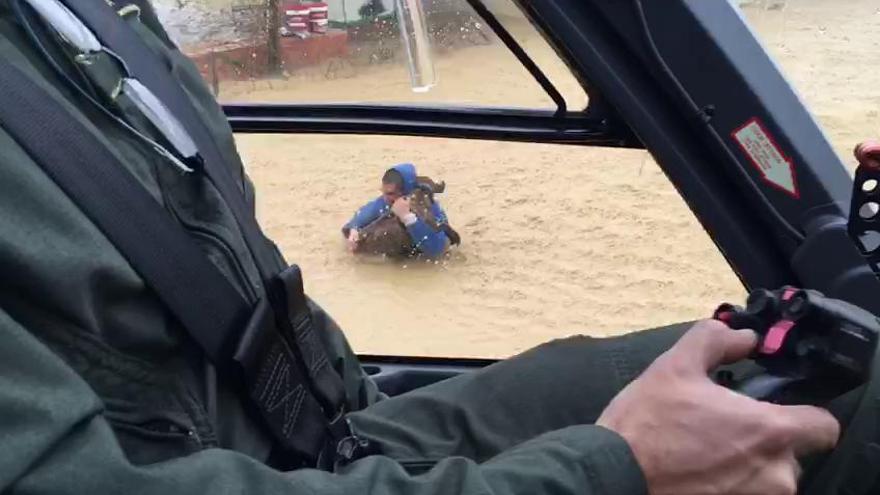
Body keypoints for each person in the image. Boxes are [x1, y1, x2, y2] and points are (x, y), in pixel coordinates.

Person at [0, 1, 854, 494]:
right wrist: (611, 471)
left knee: (817, 369)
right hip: (248, 468)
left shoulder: (84, 25)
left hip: (334, 423)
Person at [342, 163, 459, 257]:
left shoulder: (428, 207)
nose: (385, 198)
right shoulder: (386, 200)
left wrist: (408, 217)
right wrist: (354, 229)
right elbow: (365, 213)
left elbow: (437, 250)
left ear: (405, 191)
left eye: (390, 193)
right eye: (383, 192)